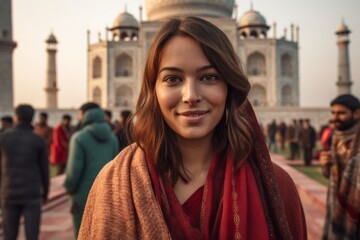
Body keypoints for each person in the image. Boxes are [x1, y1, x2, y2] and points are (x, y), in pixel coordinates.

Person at [78, 17, 306, 239]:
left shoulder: (275, 187)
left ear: (230, 87)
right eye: (173, 79)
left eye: (209, 77)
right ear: (153, 89)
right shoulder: (114, 184)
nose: (191, 96)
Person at [64, 102, 119, 238]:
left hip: (83, 196)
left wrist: (70, 189)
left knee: (84, 233)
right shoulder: (112, 138)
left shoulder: (79, 138)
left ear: (85, 115)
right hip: (107, 195)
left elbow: (74, 171)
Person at [0, 104, 49, 240]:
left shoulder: (4, 138)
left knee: (9, 234)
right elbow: (44, 169)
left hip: (9, 192)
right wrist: (45, 192)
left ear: (17, 117)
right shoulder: (37, 140)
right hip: (31, 193)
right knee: (32, 234)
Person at [319, 94, 360, 239]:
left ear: (357, 113)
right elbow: (335, 176)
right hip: (338, 204)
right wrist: (325, 166)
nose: (335, 117)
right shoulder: (337, 139)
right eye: (333, 113)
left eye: (341, 113)